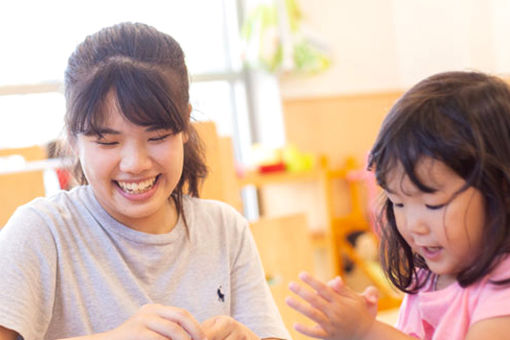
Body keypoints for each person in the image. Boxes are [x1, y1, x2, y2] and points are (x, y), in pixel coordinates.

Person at [0, 22, 290, 340]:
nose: (135, 164)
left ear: (184, 127)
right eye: (108, 142)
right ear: (73, 137)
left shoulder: (225, 229)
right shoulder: (41, 232)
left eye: (158, 136)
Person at [286, 71, 510, 339]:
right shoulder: (427, 278)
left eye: (432, 204)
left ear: (501, 191)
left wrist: (368, 331)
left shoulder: (502, 288)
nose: (413, 225)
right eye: (398, 203)